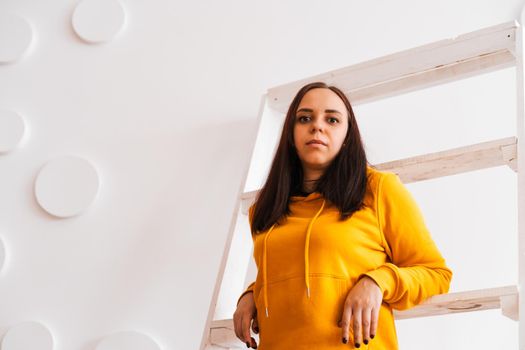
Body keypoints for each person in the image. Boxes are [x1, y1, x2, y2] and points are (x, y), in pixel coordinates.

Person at [232, 81, 452, 349]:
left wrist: (377, 281)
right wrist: (253, 291)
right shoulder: (265, 209)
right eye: (304, 118)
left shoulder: (378, 189)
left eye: (332, 119)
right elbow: (304, 270)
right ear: (290, 133)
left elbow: (436, 274)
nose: (317, 126)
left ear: (347, 136)